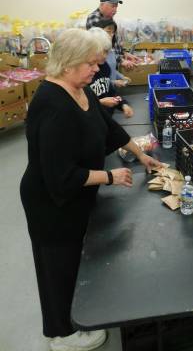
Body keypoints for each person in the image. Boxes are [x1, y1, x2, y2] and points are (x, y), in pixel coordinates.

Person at [20, 28, 162, 351]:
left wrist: (142, 155)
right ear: (68, 64)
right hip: (50, 202)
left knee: (72, 260)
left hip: (73, 198)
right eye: (90, 64)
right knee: (58, 265)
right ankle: (61, 334)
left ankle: (69, 320)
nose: (97, 69)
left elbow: (107, 127)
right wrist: (109, 177)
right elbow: (61, 177)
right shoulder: (52, 105)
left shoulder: (78, 90)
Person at [88, 27, 134, 118]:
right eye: (104, 52)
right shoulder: (86, 74)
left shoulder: (105, 67)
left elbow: (112, 93)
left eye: (108, 52)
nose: (106, 56)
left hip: (106, 118)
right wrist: (101, 102)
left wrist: (123, 104)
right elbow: (80, 105)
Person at [86, 0, 138, 69]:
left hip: (112, 63)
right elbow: (102, 47)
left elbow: (113, 41)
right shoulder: (94, 18)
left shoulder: (108, 17)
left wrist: (124, 53)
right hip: (102, 66)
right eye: (113, 6)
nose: (115, 10)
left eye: (116, 6)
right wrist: (121, 60)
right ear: (102, 4)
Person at [91, 18, 131, 88]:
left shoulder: (111, 50)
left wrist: (122, 77)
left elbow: (112, 70)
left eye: (113, 32)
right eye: (109, 31)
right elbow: (96, 80)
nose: (112, 35)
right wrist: (113, 83)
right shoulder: (96, 54)